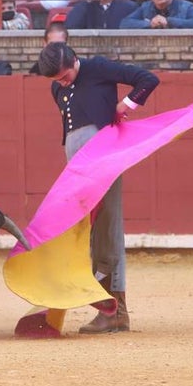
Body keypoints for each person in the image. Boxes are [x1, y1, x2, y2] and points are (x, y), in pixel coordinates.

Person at [35, 41, 159, 333]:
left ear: (75, 59)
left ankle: (115, 310)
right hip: (77, 167)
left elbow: (148, 79)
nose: (62, 83)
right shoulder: (57, 89)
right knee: (86, 232)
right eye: (57, 81)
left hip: (103, 162)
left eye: (65, 76)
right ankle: (106, 305)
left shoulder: (98, 68)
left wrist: (125, 105)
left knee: (106, 226)